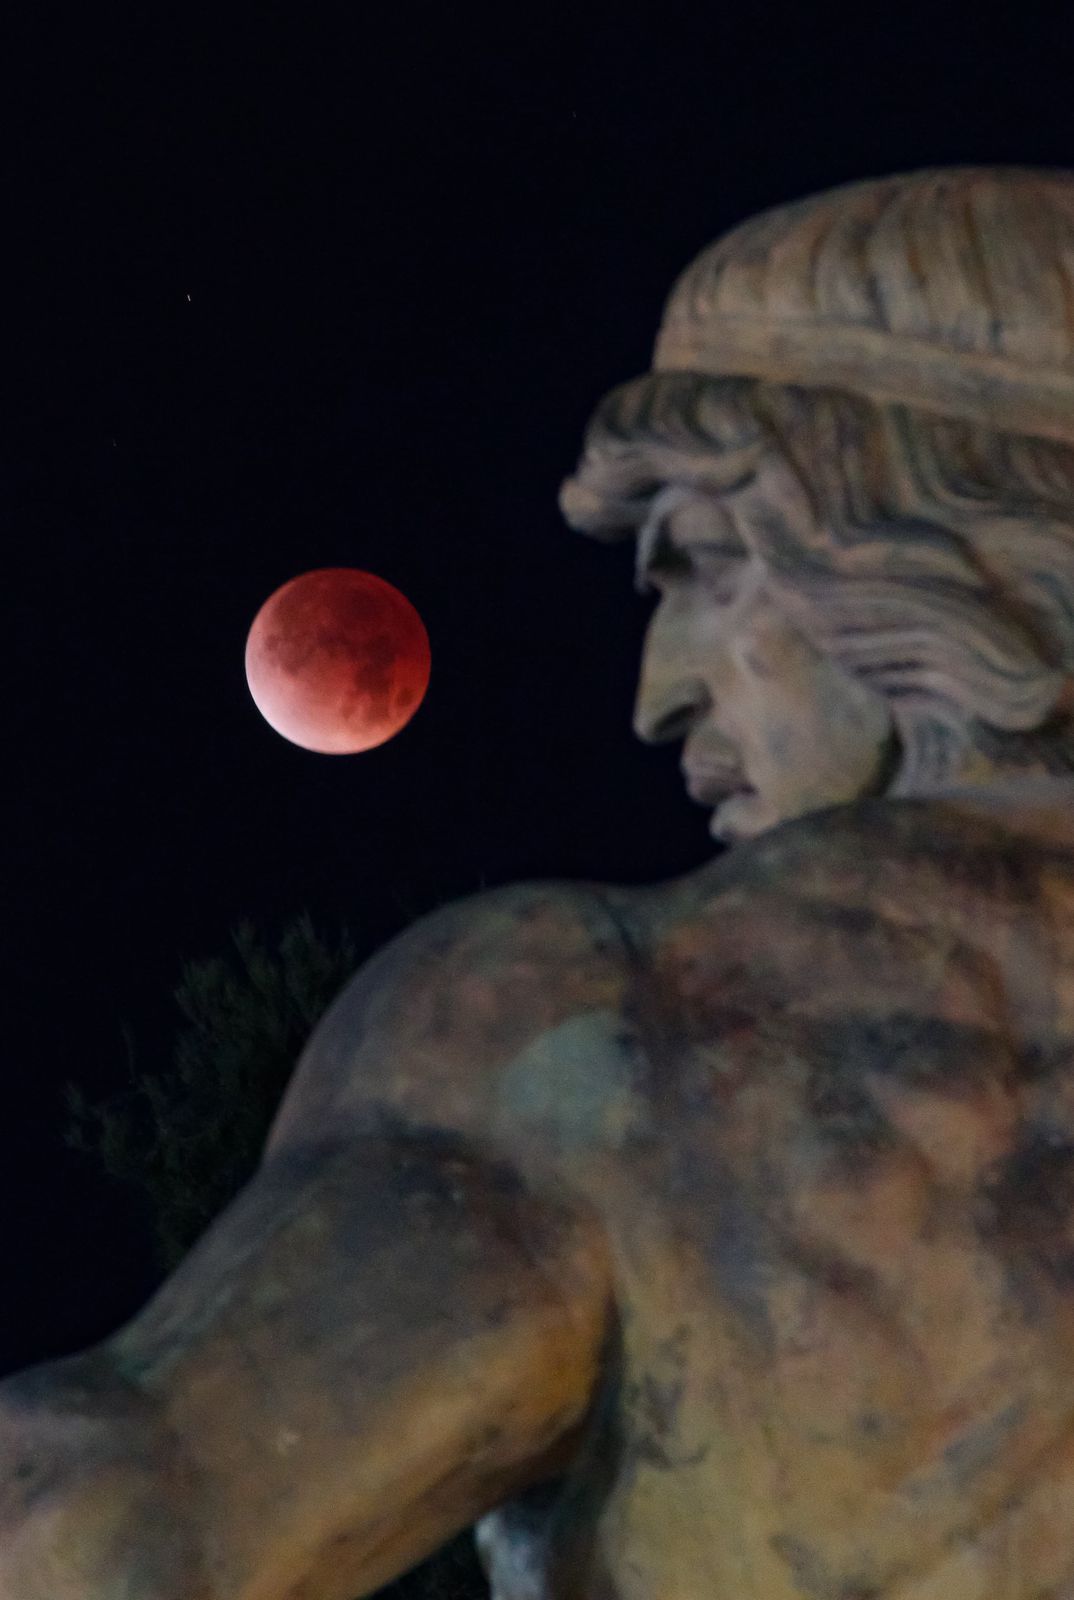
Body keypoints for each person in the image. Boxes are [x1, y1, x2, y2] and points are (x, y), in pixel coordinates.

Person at [7, 165, 1074, 1600]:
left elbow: (102, 1520)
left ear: (931, 551)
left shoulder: (618, 1029)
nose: (657, 695)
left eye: (698, 563)